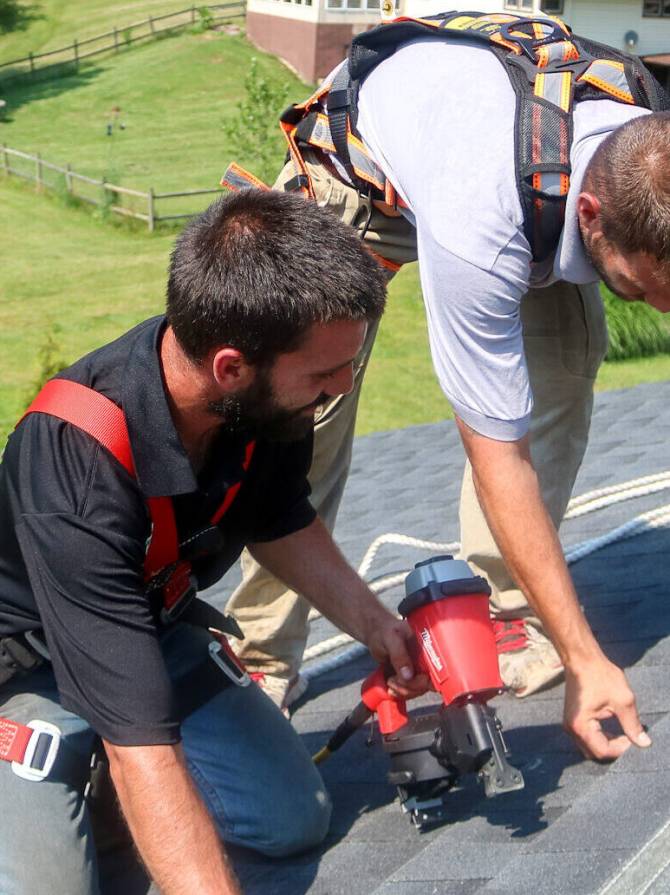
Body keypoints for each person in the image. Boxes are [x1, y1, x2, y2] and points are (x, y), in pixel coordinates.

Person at [224, 12, 670, 758]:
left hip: (533, 163)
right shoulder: (481, 221)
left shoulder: (646, 150)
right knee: (300, 414)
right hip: (362, 177)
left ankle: (507, 608)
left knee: (566, 359)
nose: (661, 310)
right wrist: (589, 659)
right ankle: (262, 652)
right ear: (593, 219)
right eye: (651, 289)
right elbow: (499, 452)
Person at [0, 190, 426, 895]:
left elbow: (277, 517)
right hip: (30, 667)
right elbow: (142, 740)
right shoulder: (78, 457)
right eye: (323, 373)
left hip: (151, 634)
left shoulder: (260, 403)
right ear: (231, 366)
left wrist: (377, 626)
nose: (342, 386)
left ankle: (109, 795)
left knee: (293, 818)